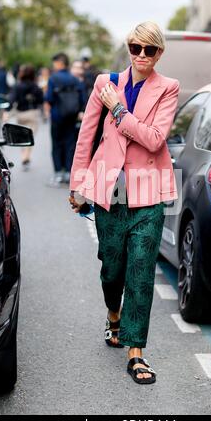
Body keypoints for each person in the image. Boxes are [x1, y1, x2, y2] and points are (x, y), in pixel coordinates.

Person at [69, 22, 180, 384]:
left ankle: (136, 352)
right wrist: (78, 184)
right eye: (136, 47)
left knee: (141, 271)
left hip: (148, 193)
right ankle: (113, 317)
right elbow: (87, 135)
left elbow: (153, 139)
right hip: (109, 190)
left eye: (150, 50)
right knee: (111, 268)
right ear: (129, 48)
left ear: (159, 53)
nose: (142, 55)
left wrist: (119, 111)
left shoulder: (168, 89)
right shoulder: (105, 83)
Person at [45, 53, 86, 186]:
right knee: (70, 144)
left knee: (56, 144)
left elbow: (49, 98)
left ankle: (58, 173)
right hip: (71, 117)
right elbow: (82, 98)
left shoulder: (53, 78)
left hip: (57, 116)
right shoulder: (74, 79)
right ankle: (69, 172)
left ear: (59, 63)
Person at [8, 64, 43, 170]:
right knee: (30, 136)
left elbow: (11, 100)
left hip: (21, 114)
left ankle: (24, 156)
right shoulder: (36, 87)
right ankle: (26, 156)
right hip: (32, 114)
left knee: (22, 136)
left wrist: (7, 111)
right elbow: (41, 100)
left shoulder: (17, 86)